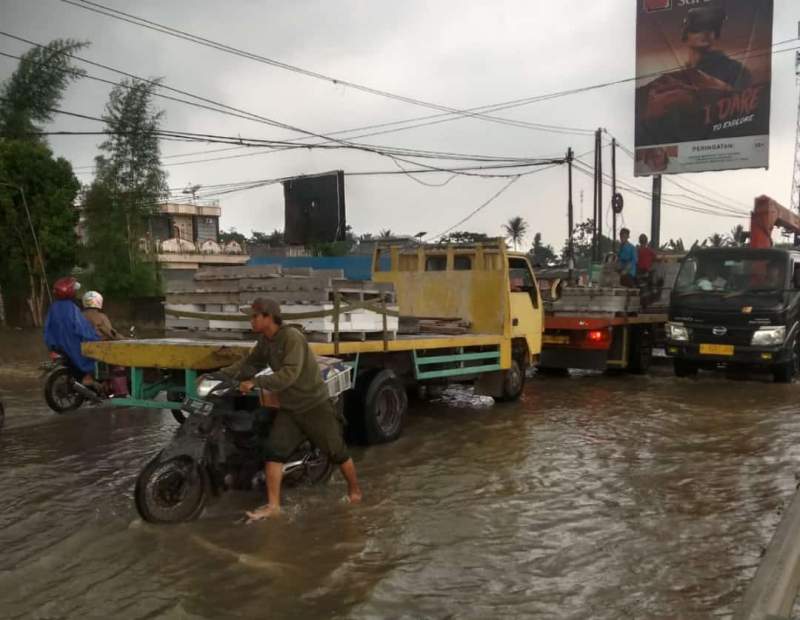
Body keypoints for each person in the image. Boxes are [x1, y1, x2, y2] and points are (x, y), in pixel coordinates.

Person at [220, 297, 362, 522]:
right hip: (290, 408)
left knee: (337, 451)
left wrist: (255, 383)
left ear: (268, 317)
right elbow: (249, 364)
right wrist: (221, 374)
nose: (251, 321)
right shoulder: (265, 341)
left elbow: (289, 375)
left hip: (314, 405)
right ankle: (274, 506)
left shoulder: (291, 338)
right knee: (274, 452)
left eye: (254, 316)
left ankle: (355, 492)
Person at [43, 277, 100, 385]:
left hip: (56, 345)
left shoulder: (53, 307)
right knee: (97, 357)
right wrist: (96, 337)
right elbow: (83, 329)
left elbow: (47, 328)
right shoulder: (72, 309)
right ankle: (88, 379)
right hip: (71, 345)